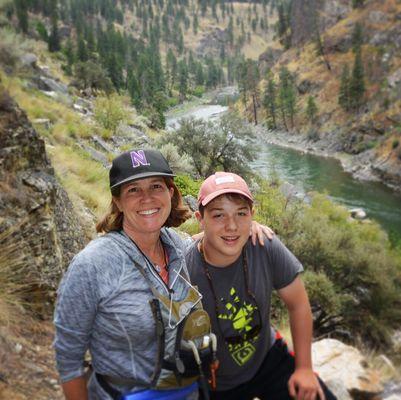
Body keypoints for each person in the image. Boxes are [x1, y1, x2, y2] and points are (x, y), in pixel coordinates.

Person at [54, 149, 271, 400]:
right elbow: (68, 357)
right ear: (118, 201)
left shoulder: (177, 247)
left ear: (170, 193)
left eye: (156, 186)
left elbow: (204, 241)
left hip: (189, 391)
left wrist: (243, 225)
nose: (147, 198)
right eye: (133, 189)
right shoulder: (92, 265)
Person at [185, 172, 337, 400]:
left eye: (241, 214)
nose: (232, 226)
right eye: (218, 216)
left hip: (267, 360)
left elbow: (298, 304)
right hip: (216, 381)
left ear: (252, 215)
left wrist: (304, 368)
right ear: (200, 218)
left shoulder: (264, 245)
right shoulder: (185, 268)